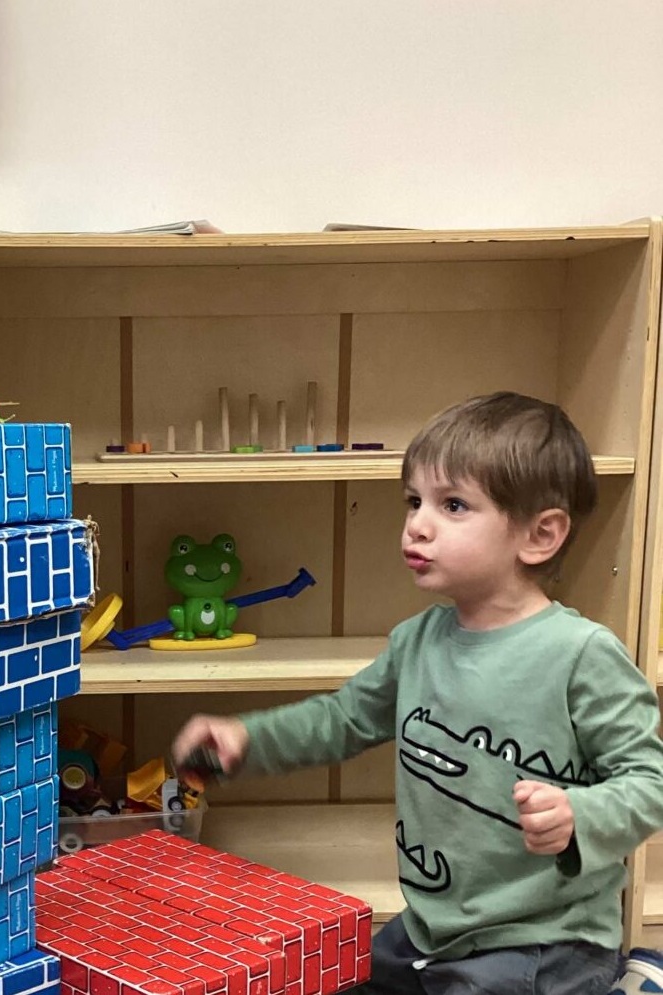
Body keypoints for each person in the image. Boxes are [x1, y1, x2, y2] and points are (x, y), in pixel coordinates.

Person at [173, 392, 663, 995]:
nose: (417, 524)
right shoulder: (418, 641)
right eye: (414, 500)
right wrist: (248, 738)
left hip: (544, 938)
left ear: (540, 535)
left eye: (453, 504)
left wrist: (578, 815)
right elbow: (343, 719)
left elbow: (647, 784)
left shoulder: (581, 655)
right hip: (433, 929)